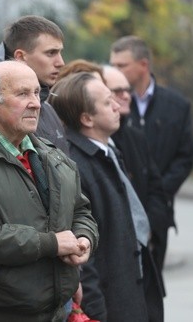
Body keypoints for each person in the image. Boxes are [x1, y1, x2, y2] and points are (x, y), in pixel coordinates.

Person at [0, 61, 99, 322]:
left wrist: (84, 238)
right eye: (23, 94)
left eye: (37, 93)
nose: (35, 103)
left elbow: (80, 210)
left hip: (56, 311)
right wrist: (51, 243)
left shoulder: (52, 154)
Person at [50, 72, 164, 321]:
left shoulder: (107, 152)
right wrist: (97, 314)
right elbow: (84, 256)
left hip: (132, 300)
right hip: (111, 309)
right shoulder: (77, 165)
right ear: (87, 118)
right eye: (106, 102)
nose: (117, 105)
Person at [110, 36, 193, 269]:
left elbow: (185, 156)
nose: (115, 70)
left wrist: (159, 194)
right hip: (121, 212)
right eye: (113, 65)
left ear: (143, 65)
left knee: (151, 290)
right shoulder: (110, 104)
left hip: (158, 214)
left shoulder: (176, 106)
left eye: (121, 65)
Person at [104, 65, 172, 283]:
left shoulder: (136, 137)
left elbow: (156, 190)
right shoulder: (97, 144)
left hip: (145, 249)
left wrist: (148, 228)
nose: (126, 95)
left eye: (127, 90)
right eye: (117, 91)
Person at [0, 15, 69, 154]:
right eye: (51, 53)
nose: (60, 62)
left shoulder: (47, 107)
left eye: (60, 52)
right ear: (20, 57)